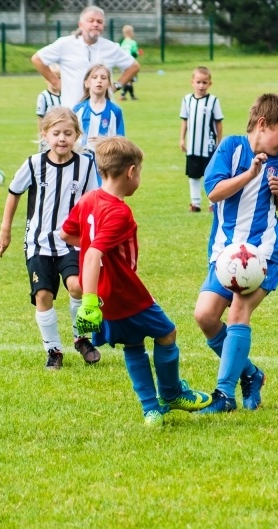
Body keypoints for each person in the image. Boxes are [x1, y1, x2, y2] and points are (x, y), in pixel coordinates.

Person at [59, 136, 212, 425]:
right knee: (167, 333)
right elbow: (92, 255)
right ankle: (170, 393)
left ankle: (151, 409)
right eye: (139, 172)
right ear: (131, 172)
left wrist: (94, 293)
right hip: (125, 292)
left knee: (133, 345)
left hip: (105, 296)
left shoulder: (88, 199)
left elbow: (67, 235)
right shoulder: (119, 212)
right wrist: (88, 303)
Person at [193, 94, 278, 414]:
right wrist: (249, 175)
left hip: (264, 251)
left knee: (238, 311)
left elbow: (276, 205)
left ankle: (224, 395)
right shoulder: (231, 148)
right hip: (226, 251)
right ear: (263, 124)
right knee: (206, 317)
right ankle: (251, 374)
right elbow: (213, 192)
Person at [0, 107, 101, 370]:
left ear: (77, 135)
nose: (62, 139)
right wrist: (5, 230)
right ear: (45, 134)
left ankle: (81, 338)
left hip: (72, 242)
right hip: (38, 243)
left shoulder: (86, 165)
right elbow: (13, 193)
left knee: (77, 286)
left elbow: (94, 202)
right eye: (56, 133)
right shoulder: (33, 163)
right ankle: (53, 350)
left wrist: (98, 239)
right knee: (43, 294)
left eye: (68, 133)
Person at [32, 6, 140, 110]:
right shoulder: (65, 44)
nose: (95, 24)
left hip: (103, 113)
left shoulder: (111, 47)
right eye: (91, 20)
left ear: (103, 26)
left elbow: (134, 66)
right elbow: (38, 59)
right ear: (81, 25)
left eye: (99, 22)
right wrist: (56, 83)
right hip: (73, 110)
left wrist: (116, 86)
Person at [179, 66, 223, 212]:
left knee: (210, 174)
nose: (201, 85)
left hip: (208, 145)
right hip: (193, 146)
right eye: (198, 82)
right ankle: (195, 203)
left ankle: (212, 202)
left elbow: (218, 122)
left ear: (210, 83)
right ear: (192, 82)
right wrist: (182, 139)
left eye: (204, 82)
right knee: (193, 175)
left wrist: (219, 141)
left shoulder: (213, 101)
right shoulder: (187, 100)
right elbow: (184, 121)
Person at [73, 64, 125, 151]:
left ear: (109, 84)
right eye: (94, 77)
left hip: (106, 160)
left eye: (103, 78)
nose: (99, 80)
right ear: (87, 83)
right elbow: (71, 135)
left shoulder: (115, 111)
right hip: (81, 158)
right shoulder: (78, 109)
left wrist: (106, 142)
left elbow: (122, 141)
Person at [36, 63, 62, 132]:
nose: (55, 81)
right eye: (52, 77)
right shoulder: (44, 96)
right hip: (49, 131)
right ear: (46, 79)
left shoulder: (65, 95)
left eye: (59, 78)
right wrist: (41, 134)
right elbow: (40, 118)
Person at [119, 25, 139, 101]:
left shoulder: (123, 43)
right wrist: (137, 54)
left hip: (122, 63)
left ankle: (132, 96)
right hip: (130, 63)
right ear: (131, 33)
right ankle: (122, 95)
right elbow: (134, 52)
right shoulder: (133, 42)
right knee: (129, 80)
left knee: (129, 80)